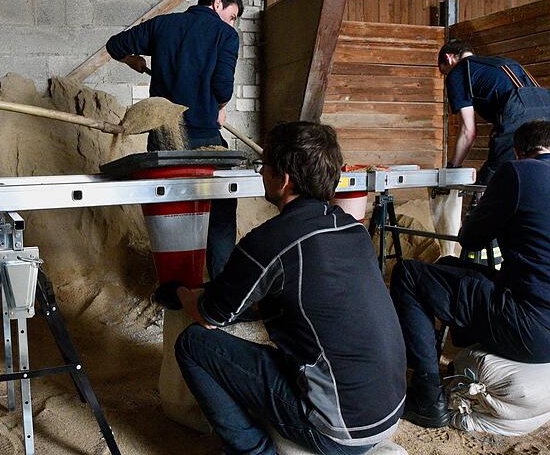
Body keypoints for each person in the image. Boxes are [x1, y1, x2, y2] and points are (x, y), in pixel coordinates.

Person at [169, 121, 407, 454]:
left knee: (194, 344)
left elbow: (211, 317)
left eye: (263, 166)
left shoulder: (271, 240)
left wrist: (181, 292)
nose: (261, 172)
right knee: (276, 354)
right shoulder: (351, 229)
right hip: (387, 413)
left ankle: (253, 451)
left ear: (283, 179)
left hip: (338, 431)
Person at [390, 119, 550, 429]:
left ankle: (427, 399)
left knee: (408, 274)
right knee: (448, 270)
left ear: (518, 152)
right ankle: (453, 347)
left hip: (531, 327)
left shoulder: (517, 173)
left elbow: (471, 238)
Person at [105, 0, 243, 279]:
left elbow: (115, 45)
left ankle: (174, 285)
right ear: (217, 4)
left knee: (169, 208)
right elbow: (222, 85)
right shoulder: (225, 35)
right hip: (205, 136)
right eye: (232, 15)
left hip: (163, 136)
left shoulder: (163, 24)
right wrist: (220, 106)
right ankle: (220, 281)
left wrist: (133, 60)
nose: (232, 23)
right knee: (220, 208)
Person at [438, 39, 550, 183]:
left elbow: (469, 132)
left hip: (520, 112)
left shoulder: (457, 72)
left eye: (445, 72)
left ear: (448, 58)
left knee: (492, 181)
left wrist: (453, 167)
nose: (448, 76)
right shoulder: (501, 63)